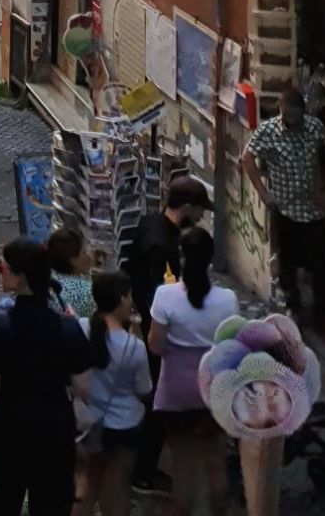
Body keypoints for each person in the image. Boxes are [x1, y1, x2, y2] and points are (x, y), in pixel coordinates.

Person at [0, 238, 93, 515]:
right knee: (51, 502)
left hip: (10, 428)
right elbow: (84, 386)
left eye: (2, 267)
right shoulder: (67, 329)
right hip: (54, 427)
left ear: (20, 276)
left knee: (7, 494)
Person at [125, 172, 210, 496]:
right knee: (158, 402)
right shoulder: (163, 246)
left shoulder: (151, 222)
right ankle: (142, 472)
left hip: (149, 327)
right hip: (157, 334)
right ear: (186, 207)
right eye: (199, 209)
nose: (200, 216)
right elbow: (156, 298)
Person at [147, 228, 236, 515]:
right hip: (214, 393)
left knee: (183, 468)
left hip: (177, 394)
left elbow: (155, 346)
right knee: (216, 463)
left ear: (181, 256)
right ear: (210, 258)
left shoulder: (164, 296)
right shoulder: (228, 300)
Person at [242, 84, 325, 320]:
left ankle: (323, 310)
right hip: (285, 210)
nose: (291, 122)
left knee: (320, 264)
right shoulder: (268, 131)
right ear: (280, 110)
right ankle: (294, 307)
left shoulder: (314, 128)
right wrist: (263, 193)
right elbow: (247, 158)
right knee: (286, 264)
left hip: (313, 211)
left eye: (295, 118)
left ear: (303, 113)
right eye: (287, 117)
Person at [73, 270, 152, 516]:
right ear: (120, 300)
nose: (131, 301)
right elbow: (144, 389)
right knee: (116, 488)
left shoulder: (80, 327)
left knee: (87, 485)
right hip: (124, 425)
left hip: (88, 421)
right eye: (129, 296)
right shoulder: (135, 347)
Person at [45, 225, 93, 317]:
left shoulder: (47, 278)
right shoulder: (86, 292)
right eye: (83, 252)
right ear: (72, 260)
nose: (88, 256)